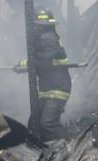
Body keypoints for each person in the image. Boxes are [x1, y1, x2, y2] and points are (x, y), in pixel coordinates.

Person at [15, 9, 72, 141]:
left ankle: (68, 148)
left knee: (48, 125)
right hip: (48, 89)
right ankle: (45, 152)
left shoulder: (48, 38)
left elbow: (42, 61)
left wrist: (23, 66)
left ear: (39, 25)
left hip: (57, 89)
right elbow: (37, 58)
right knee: (34, 124)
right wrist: (22, 64)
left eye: (35, 25)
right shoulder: (45, 38)